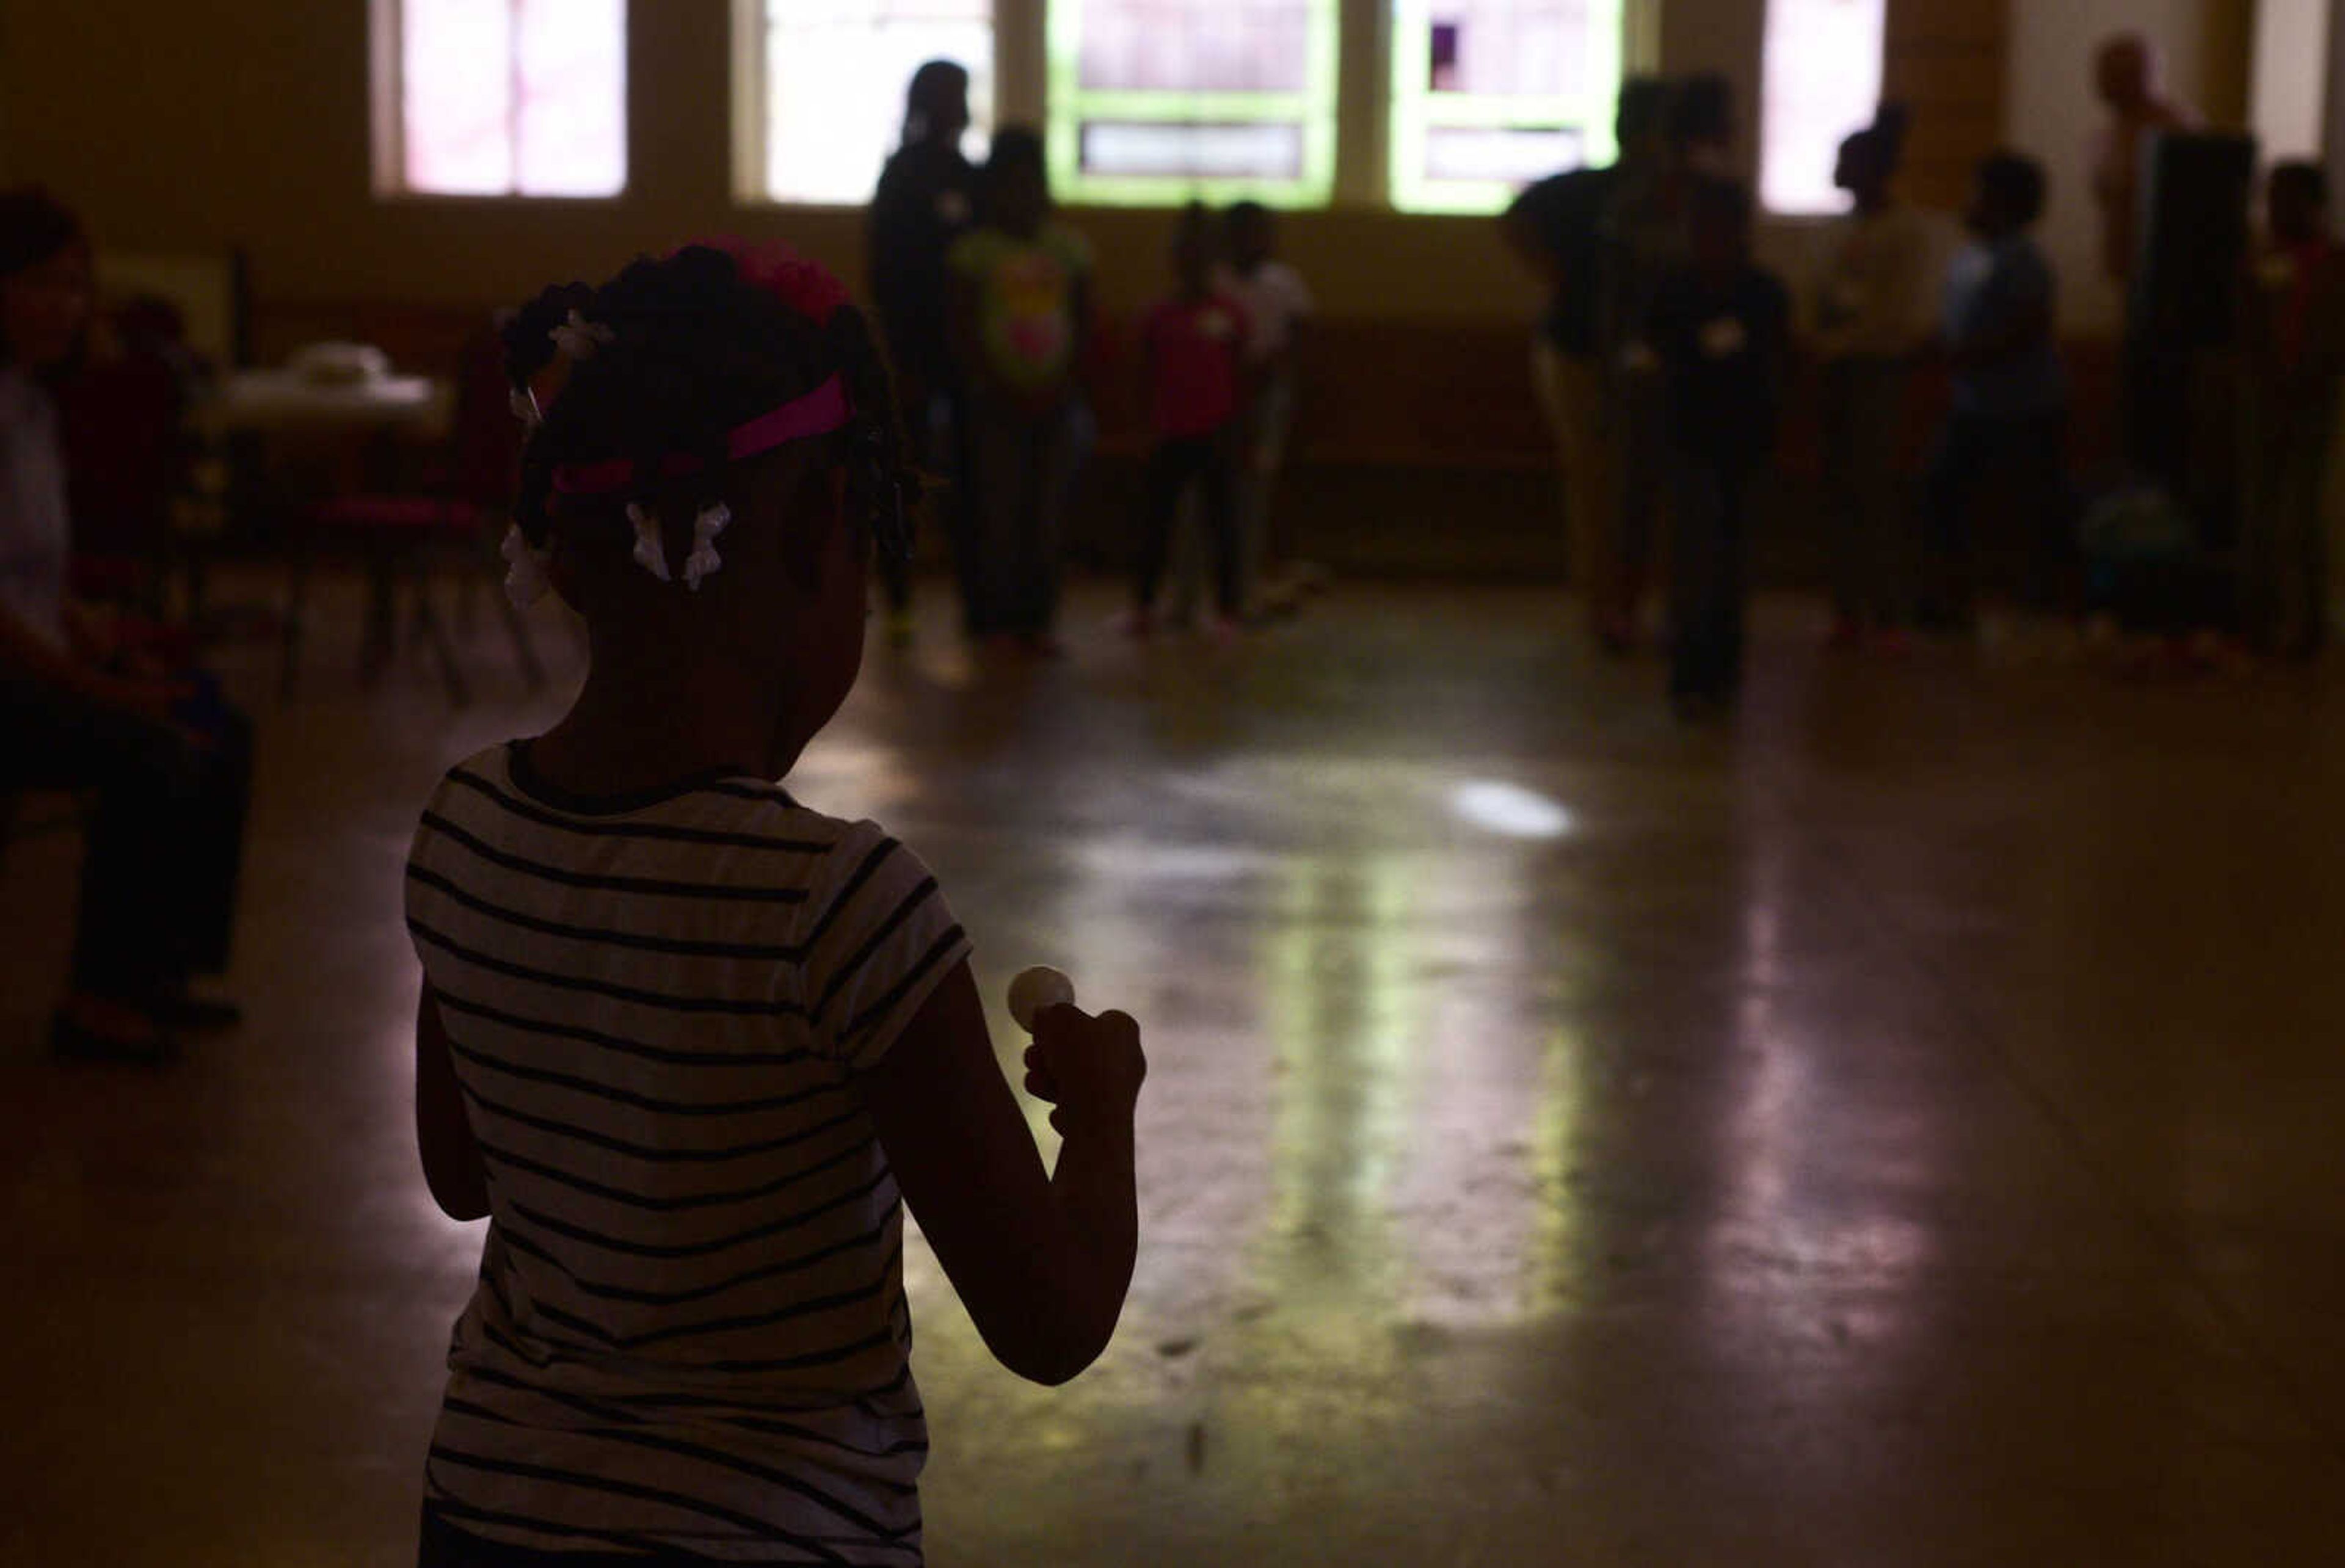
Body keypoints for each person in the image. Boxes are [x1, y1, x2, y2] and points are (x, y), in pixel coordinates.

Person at [408, 241, 1147, 1564]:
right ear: (816, 536)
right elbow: (1051, 1322)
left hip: (488, 1516)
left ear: (569, 551)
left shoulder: (466, 827)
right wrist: (1099, 1118)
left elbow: (463, 1174)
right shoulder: (844, 910)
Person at [0, 186, 252, 1064]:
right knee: (154, 747)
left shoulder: (30, 402)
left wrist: (94, 631)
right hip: (9, 679)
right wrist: (100, 686)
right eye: (41, 283)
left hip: (38, 663)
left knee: (219, 723)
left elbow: (28, 567)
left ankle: (162, 973)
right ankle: (97, 998)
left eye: (77, 285)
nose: (66, 305)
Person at [1503, 77, 1671, 653]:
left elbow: (1517, 220)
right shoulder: (1589, 191)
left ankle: (1622, 600)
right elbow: (1517, 220)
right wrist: (1556, 279)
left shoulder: (1661, 196)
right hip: (1579, 350)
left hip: (1634, 357)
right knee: (1598, 484)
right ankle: (1607, 603)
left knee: (1625, 487)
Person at [1645, 179, 1789, 714]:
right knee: (1692, 557)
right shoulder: (1677, 289)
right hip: (1689, 437)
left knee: (1729, 559)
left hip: (1743, 440)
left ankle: (1721, 667)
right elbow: (1656, 350)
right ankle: (1690, 670)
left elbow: (1777, 364)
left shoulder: (1761, 293)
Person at [947, 127, 1091, 654]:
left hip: (1056, 401)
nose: (1023, 199)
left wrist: (1061, 385)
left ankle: (1039, 618)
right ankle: (995, 618)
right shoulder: (974, 252)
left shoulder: (1070, 248)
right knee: (999, 511)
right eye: (1011, 188)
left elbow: (1083, 322)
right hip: (994, 403)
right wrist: (998, 385)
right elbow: (963, 329)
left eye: (1032, 187)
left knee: (1047, 513)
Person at [1921, 153, 2071, 633]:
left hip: (2024, 408)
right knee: (1942, 495)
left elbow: (2030, 326)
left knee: (2031, 508)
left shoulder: (2022, 259)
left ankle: (2040, 604)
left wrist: (1971, 354)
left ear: (2002, 202)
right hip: (1973, 405)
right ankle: (1951, 601)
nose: (1968, 204)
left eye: (1976, 193)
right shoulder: (1970, 257)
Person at [869, 60, 981, 647]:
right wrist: (903, 359)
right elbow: (886, 275)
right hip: (915, 354)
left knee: (969, 476)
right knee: (904, 476)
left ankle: (975, 598)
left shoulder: (971, 176)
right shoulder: (902, 175)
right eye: (952, 96)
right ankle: (900, 595)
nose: (960, 107)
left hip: (966, 359)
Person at [1811, 109, 1933, 650]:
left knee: (1875, 494)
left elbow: (1897, 314)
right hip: (1835, 369)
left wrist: (1838, 343)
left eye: (1847, 161)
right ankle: (1847, 607)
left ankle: (1888, 613)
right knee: (1839, 492)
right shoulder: (1840, 229)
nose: (1837, 169)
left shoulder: (1906, 231)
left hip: (1877, 370)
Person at [1127, 203, 1251, 638]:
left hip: (1215, 433)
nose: (1193, 261)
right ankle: (1144, 606)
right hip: (1169, 431)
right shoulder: (1159, 316)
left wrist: (1238, 430)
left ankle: (1228, 610)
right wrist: (1145, 426)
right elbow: (1146, 375)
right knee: (1155, 524)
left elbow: (1240, 375)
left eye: (1202, 252)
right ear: (1174, 258)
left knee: (1222, 527)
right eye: (1185, 251)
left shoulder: (1231, 314)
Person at [2238, 161, 2345, 659]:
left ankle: (2310, 627)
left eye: (2284, 200)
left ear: (2313, 205)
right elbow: (2251, 320)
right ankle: (2258, 619)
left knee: (2304, 514)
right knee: (2259, 507)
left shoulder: (2335, 265)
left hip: (2316, 397)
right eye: (2269, 199)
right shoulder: (2265, 260)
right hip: (2268, 394)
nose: (2274, 211)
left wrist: (2309, 374)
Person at [1214, 199, 1315, 614]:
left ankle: (1264, 568)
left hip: (1269, 393)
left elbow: (1301, 338)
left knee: (1263, 482)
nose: (1257, 242)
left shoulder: (1284, 283)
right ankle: (1228, 573)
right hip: (1220, 393)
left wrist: (1272, 374)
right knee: (1222, 483)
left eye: (1264, 233)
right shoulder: (1215, 281)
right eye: (1247, 232)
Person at [2090, 33, 2198, 283]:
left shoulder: (2175, 128)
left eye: (2110, 72)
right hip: (2131, 269)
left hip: (2167, 272)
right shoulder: (2117, 127)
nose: (2099, 81)